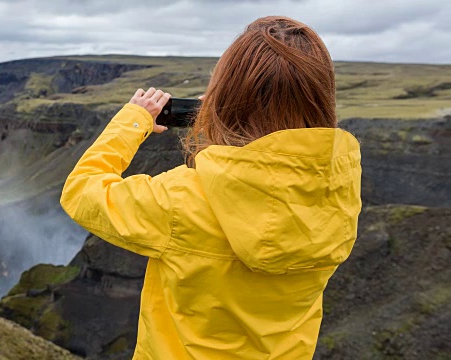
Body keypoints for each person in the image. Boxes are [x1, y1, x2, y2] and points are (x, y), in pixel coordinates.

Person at [60, 16, 362, 360]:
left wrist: (134, 121)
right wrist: (223, 125)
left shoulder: (180, 199)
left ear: (227, 95)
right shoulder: (336, 191)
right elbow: (264, 185)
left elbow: (81, 190)